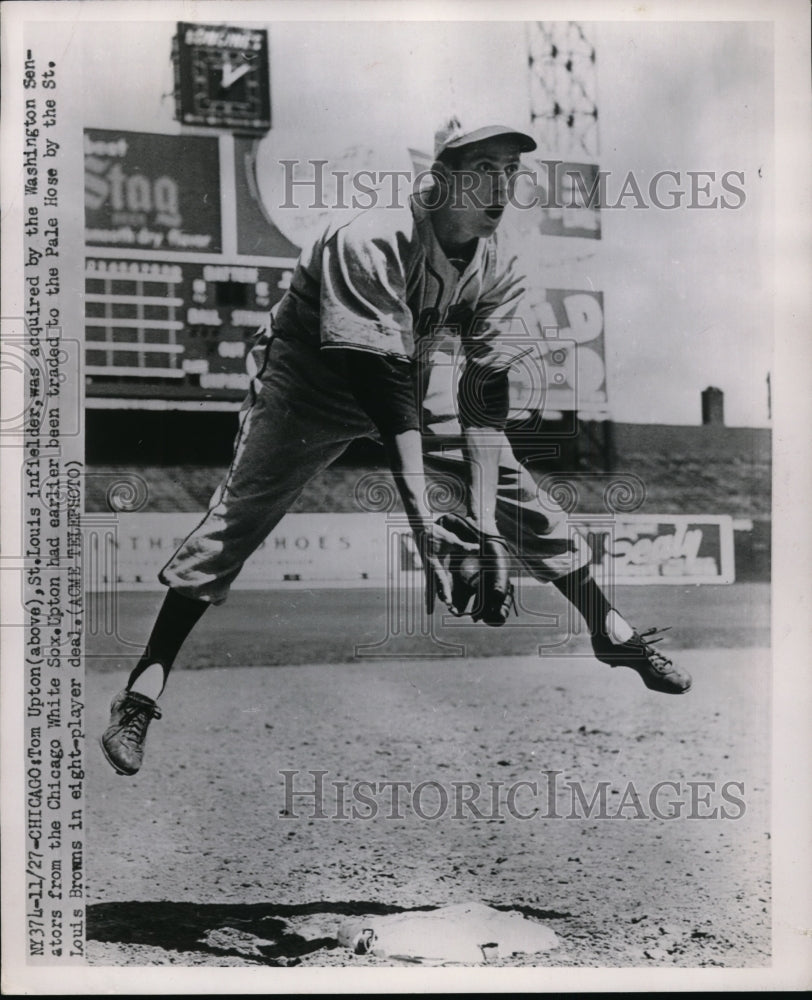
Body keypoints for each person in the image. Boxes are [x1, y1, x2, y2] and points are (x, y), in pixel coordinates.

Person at [101, 116, 691, 777]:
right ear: (439, 179)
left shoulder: (497, 265)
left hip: (409, 368)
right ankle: (143, 688)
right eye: (483, 171)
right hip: (311, 379)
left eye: (510, 173)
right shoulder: (372, 237)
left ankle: (611, 633)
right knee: (240, 516)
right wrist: (427, 529)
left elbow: (483, 411)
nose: (501, 188)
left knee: (516, 491)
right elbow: (383, 400)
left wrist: (490, 531)